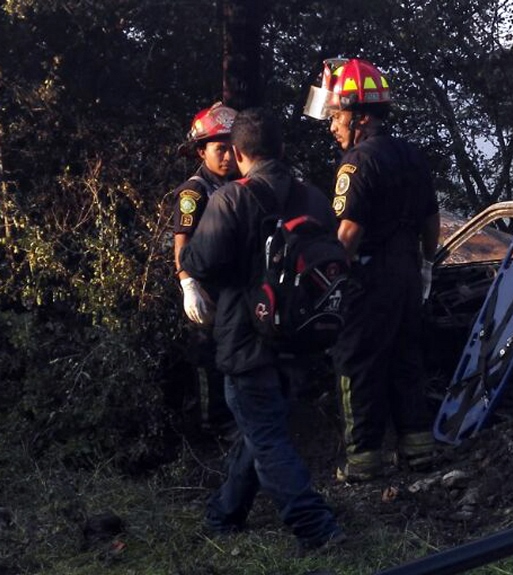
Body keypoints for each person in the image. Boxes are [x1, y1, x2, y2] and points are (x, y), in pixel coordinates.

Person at [180, 107, 344, 549]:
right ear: (282, 148)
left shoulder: (231, 199)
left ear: (238, 153)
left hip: (246, 337)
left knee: (266, 436)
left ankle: (317, 528)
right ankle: (224, 513)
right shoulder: (314, 198)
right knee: (261, 428)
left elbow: (198, 261)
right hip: (303, 335)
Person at [303, 57, 440, 482]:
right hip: (407, 274)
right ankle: (418, 448)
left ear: (360, 117)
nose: (332, 126)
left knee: (356, 361)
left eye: (336, 116)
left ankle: (363, 459)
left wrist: (325, 283)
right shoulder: (411, 155)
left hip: (368, 277)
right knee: (405, 357)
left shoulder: (357, 162)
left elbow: (348, 233)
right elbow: (431, 219)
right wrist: (427, 264)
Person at [170, 102, 238, 436]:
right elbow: (181, 242)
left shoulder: (241, 184)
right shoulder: (194, 191)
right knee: (206, 356)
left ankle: (232, 419)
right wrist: (188, 285)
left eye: (231, 149)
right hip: (206, 288)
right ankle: (211, 425)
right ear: (202, 151)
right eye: (219, 149)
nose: (227, 157)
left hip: (234, 285)